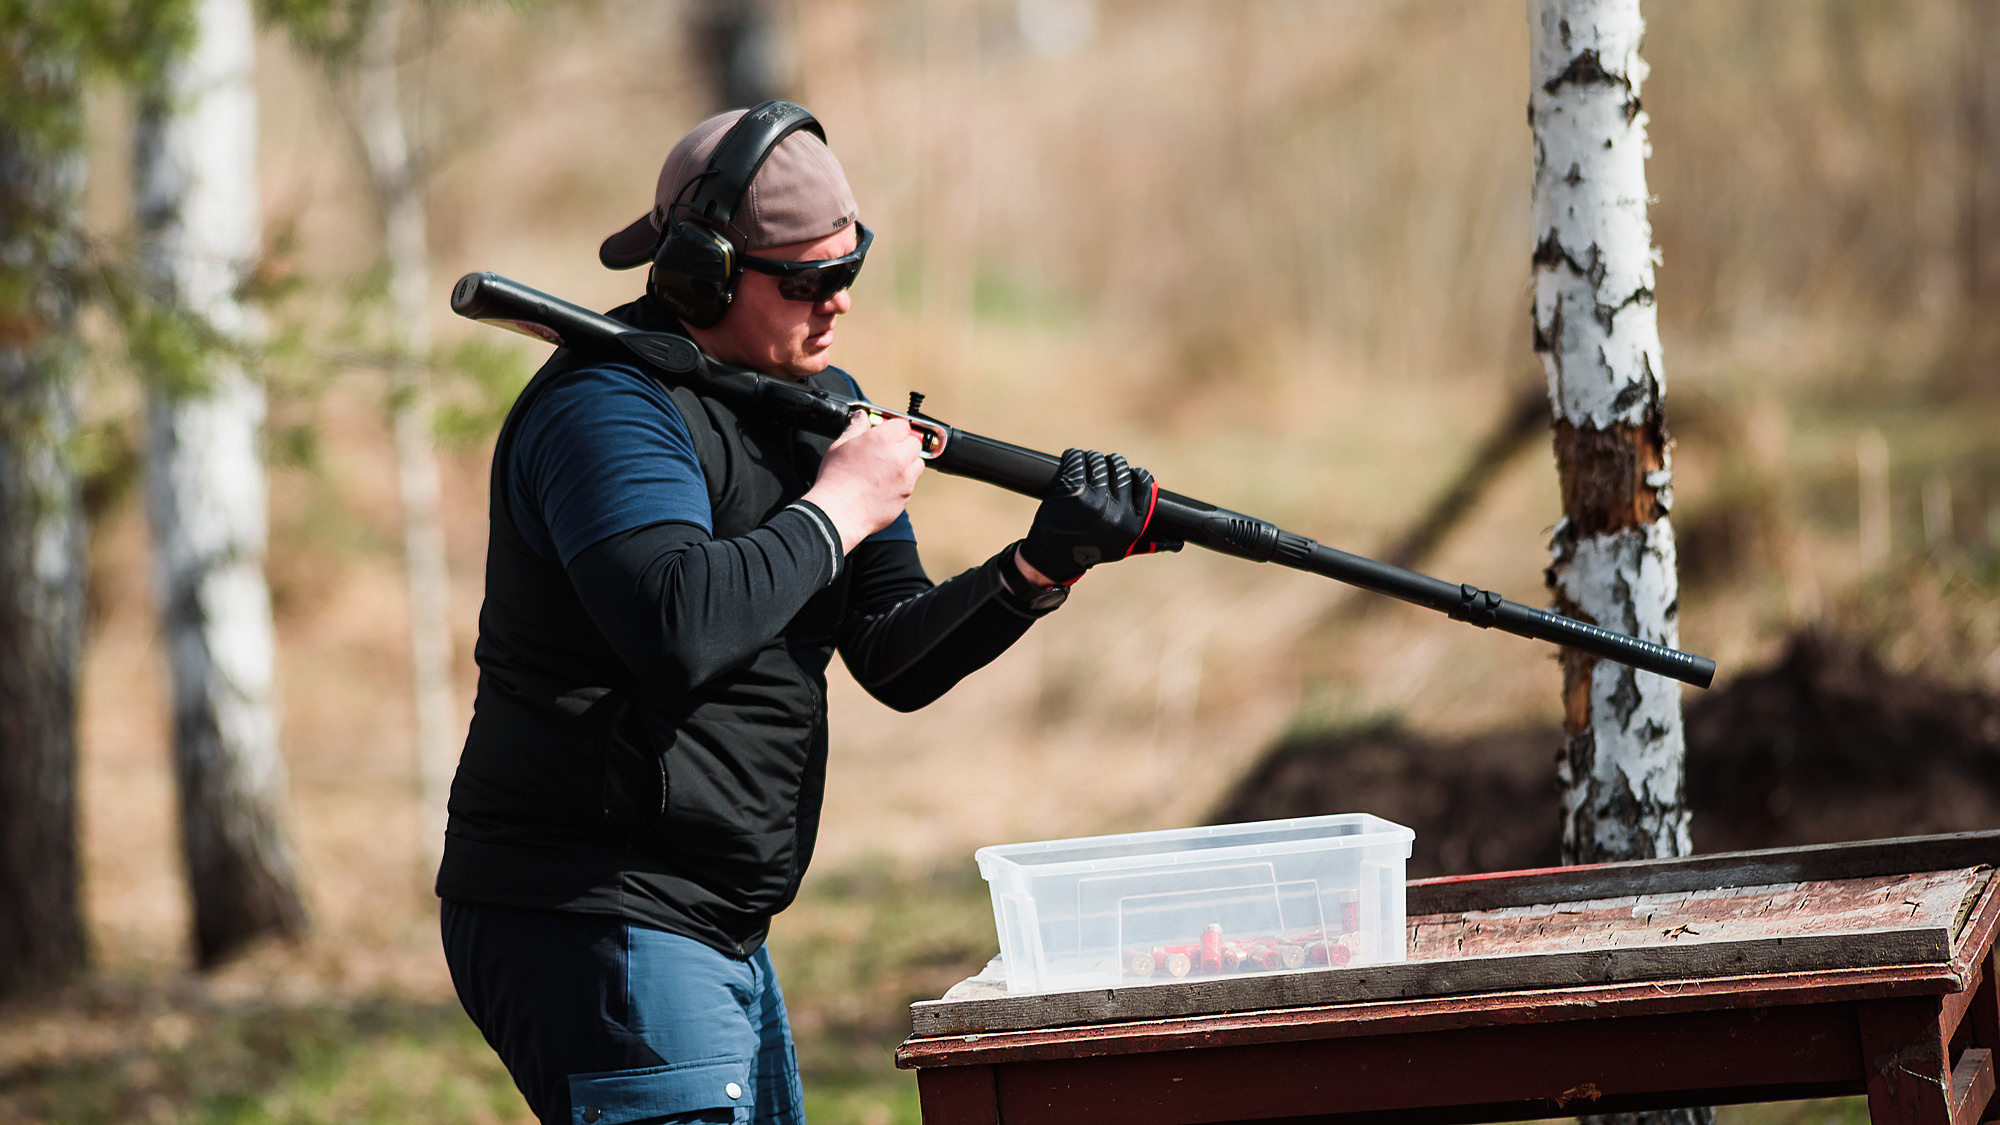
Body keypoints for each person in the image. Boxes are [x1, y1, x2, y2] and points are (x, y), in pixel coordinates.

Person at [435, 102, 1171, 1125]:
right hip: (592, 906)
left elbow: (890, 655)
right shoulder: (605, 409)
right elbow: (675, 623)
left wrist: (1037, 568)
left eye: (849, 272)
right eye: (808, 281)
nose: (837, 308)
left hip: (721, 920)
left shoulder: (813, 399)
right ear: (704, 273)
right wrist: (839, 505)